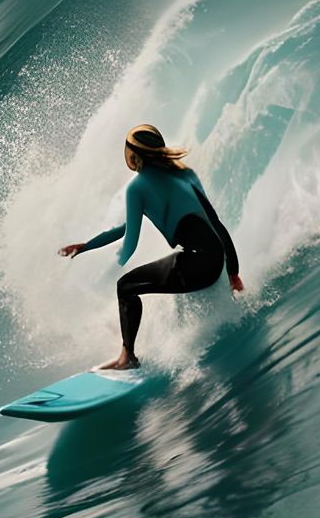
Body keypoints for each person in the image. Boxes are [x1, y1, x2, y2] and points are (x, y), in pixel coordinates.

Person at [59, 124, 244, 370]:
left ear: (133, 156)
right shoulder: (184, 174)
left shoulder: (137, 188)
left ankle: (127, 357)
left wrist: (108, 264)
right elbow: (215, 221)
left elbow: (129, 239)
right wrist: (233, 271)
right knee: (174, 273)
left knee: (125, 287)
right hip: (215, 260)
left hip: (196, 264)